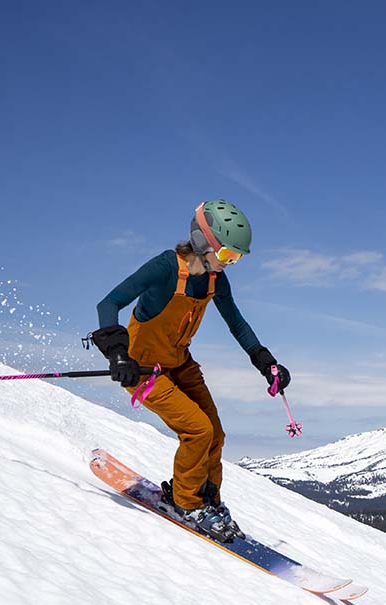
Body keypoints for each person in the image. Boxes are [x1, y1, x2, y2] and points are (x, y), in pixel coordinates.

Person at [90, 199, 290, 540]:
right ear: (202, 242)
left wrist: (264, 360)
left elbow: (237, 323)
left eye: (237, 258)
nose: (231, 264)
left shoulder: (215, 280)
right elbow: (108, 303)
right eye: (228, 255)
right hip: (141, 369)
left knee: (215, 432)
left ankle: (209, 500)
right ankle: (186, 503)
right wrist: (117, 353)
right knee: (198, 430)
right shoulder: (165, 268)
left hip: (179, 362)